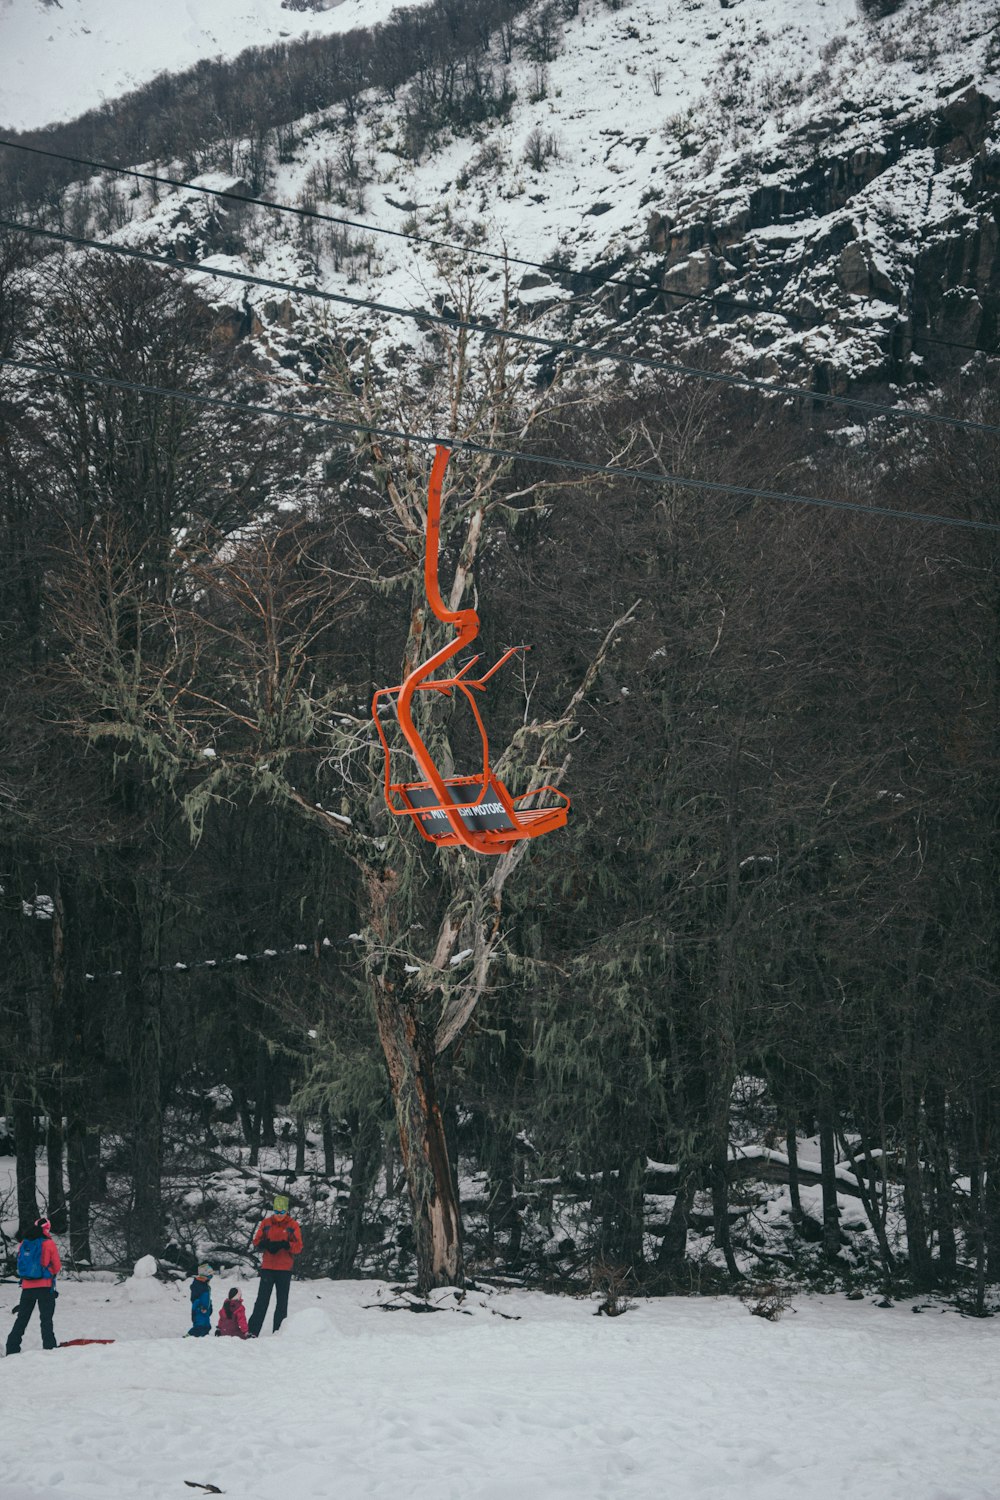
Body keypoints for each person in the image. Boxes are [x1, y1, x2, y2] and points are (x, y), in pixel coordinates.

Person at [247, 1194, 303, 1337]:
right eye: (276, 1212)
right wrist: (264, 1244)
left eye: (282, 1212)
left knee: (281, 1302)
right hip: (268, 1268)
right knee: (261, 1301)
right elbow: (256, 1241)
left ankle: (279, 1332)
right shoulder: (266, 1223)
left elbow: (298, 1247)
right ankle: (252, 1331)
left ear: (286, 1211)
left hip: (284, 1269)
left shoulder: (292, 1225)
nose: (279, 1215)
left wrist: (285, 1244)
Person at [5, 1217, 61, 1355]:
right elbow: (57, 1266)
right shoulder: (48, 1243)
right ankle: (49, 1346)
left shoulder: (24, 1242)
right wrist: (48, 1273)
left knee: (22, 1318)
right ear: (47, 1228)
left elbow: (20, 1263)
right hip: (45, 1287)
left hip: (27, 1287)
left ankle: (12, 1346)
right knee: (46, 1319)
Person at [186, 1264, 213, 1338]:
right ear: (204, 1276)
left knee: (206, 1326)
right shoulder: (198, 1285)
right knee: (199, 1326)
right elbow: (194, 1299)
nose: (209, 1279)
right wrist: (201, 1307)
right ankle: (189, 1336)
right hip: (199, 1311)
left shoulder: (205, 1285)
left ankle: (203, 1340)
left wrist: (210, 1306)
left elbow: (207, 1298)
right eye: (209, 1277)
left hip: (205, 1311)